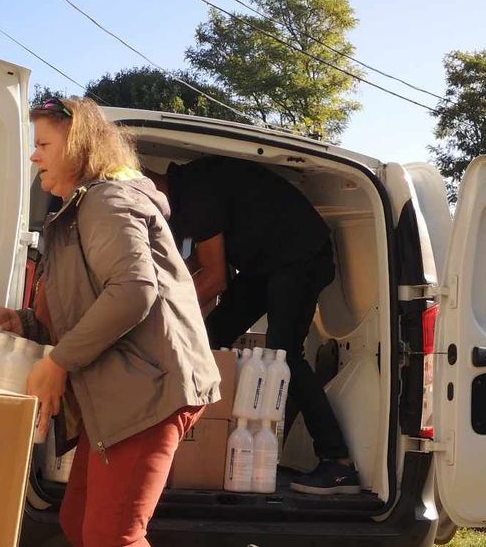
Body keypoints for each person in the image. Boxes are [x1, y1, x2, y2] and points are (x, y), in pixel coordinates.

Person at [0, 97, 224, 547]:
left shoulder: (109, 202)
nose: (35, 156)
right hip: (122, 392)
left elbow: (134, 292)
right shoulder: (81, 211)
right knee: (84, 524)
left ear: (80, 146)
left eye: (46, 144)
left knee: (112, 537)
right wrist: (26, 326)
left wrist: (58, 361)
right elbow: (87, 305)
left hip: (153, 387)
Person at [148, 155, 358, 494]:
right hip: (265, 264)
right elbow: (195, 265)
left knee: (284, 351)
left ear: (150, 189)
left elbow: (214, 280)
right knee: (212, 337)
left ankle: (338, 463)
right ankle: (207, 441)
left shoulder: (195, 195)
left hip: (300, 256)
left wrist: (160, 320)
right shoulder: (187, 190)